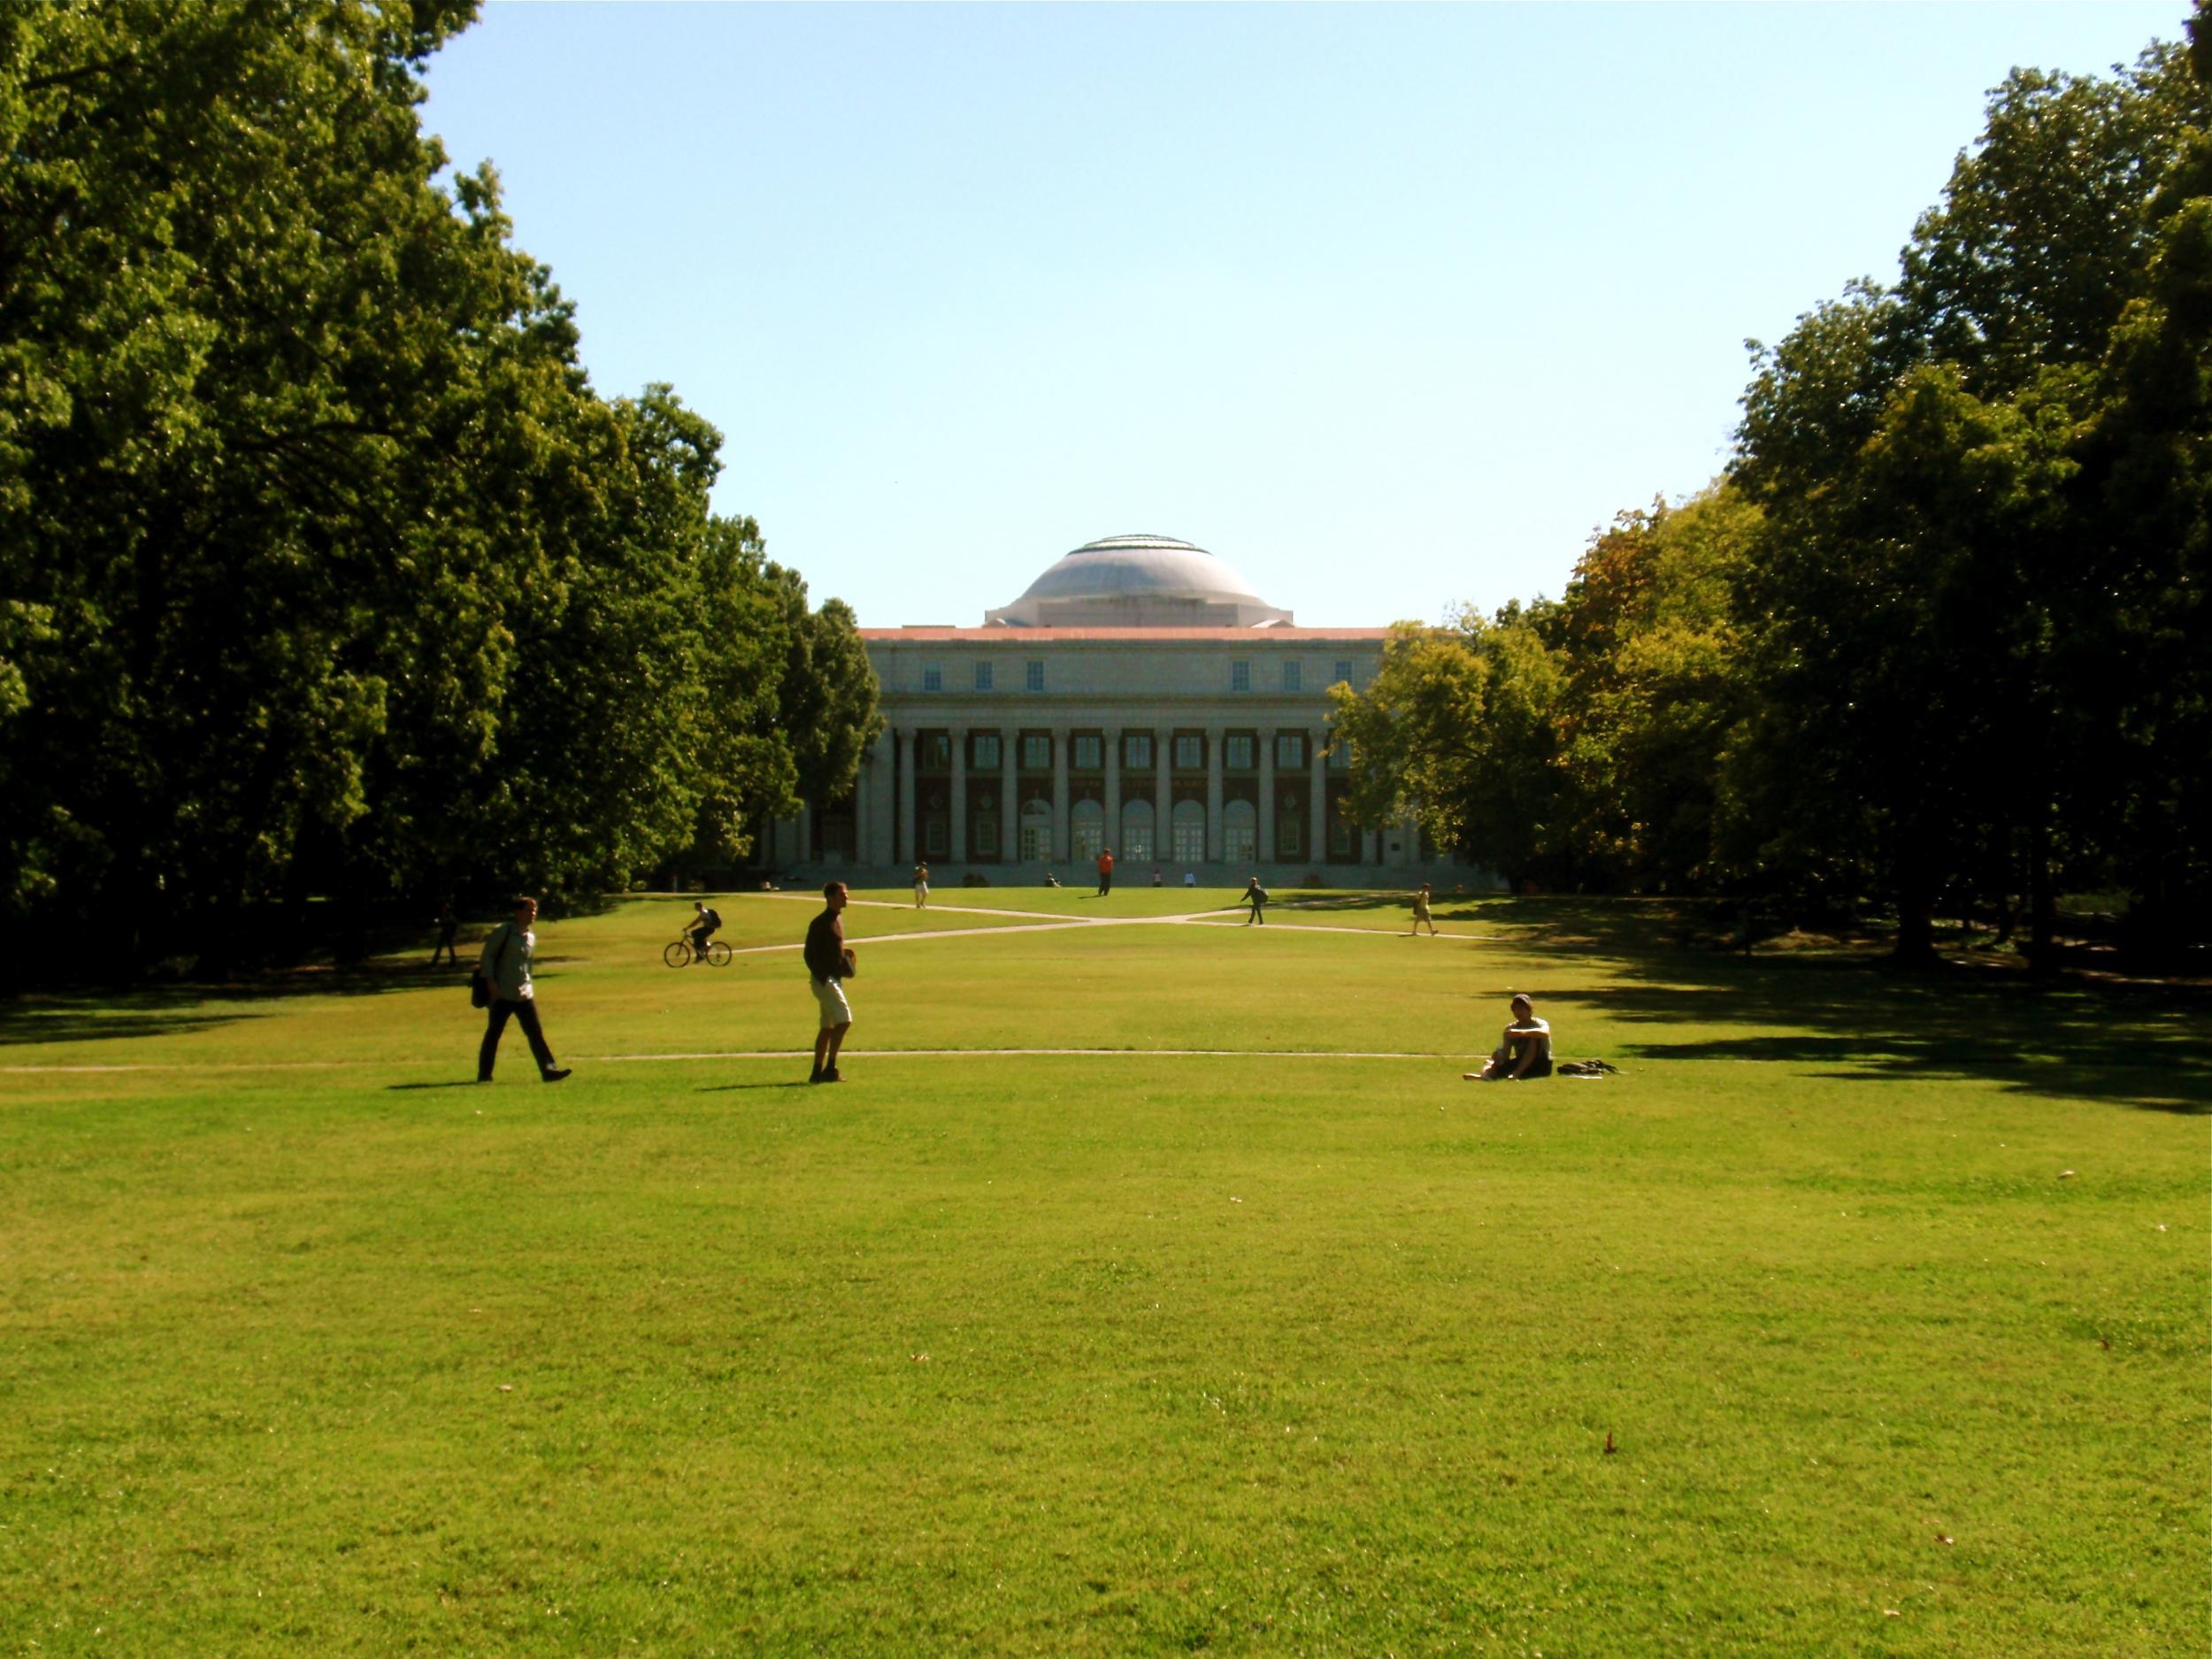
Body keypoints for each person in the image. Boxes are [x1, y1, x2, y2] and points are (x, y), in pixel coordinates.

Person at [477, 896, 572, 1084]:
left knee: (535, 1032)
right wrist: (490, 982)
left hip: (523, 993)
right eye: (529, 910)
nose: (533, 913)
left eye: (534, 910)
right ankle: (484, 1075)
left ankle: (548, 1070)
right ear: (518, 912)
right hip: (502, 993)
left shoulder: (531, 937)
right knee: (494, 1034)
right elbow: (487, 957)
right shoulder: (502, 932)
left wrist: (529, 985)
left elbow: (528, 965)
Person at [804, 880, 854, 1084]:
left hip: (834, 979)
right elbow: (809, 954)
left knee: (827, 1027)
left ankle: (817, 1072)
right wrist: (823, 977)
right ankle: (830, 1068)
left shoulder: (838, 919)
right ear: (831, 898)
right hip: (825, 981)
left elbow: (832, 950)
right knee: (845, 1020)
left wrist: (845, 957)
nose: (847, 897)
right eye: (842, 894)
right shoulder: (820, 923)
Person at [1465, 994, 1552, 1081]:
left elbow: (1545, 1033)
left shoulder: (1539, 1023)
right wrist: (1499, 1057)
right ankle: (1486, 1076)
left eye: (1521, 1008)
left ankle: (1516, 1074)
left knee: (1534, 1037)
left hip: (1541, 1065)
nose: (1518, 1012)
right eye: (1516, 1009)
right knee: (1490, 1061)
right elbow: (1506, 1053)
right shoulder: (1510, 1028)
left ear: (1530, 1010)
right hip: (1521, 1062)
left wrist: (1521, 1033)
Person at [687, 900, 722, 964]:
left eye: (696, 907)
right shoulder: (704, 911)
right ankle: (701, 953)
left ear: (699, 906)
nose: (695, 908)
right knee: (696, 937)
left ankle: (702, 952)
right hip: (708, 928)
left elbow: (696, 922)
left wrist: (687, 927)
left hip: (709, 929)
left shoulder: (703, 912)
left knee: (694, 934)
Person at [430, 896, 460, 967]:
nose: (443, 909)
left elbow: (453, 923)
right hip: (444, 933)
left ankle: (452, 961)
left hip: (447, 933)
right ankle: (435, 961)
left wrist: (452, 932)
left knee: (447, 947)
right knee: (442, 947)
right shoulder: (445, 915)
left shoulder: (449, 916)